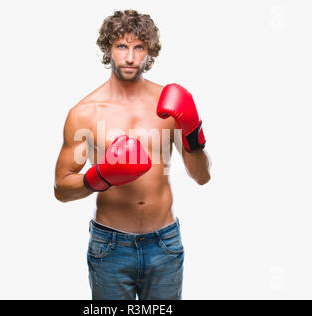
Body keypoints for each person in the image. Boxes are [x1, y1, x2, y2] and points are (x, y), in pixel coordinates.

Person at [54, 9, 211, 300]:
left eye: (139, 47)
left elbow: (202, 177)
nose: (130, 57)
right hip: (110, 246)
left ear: (149, 51)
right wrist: (101, 175)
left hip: (164, 243)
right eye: (122, 46)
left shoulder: (169, 104)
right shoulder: (84, 113)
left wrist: (192, 132)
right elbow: (61, 189)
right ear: (108, 49)